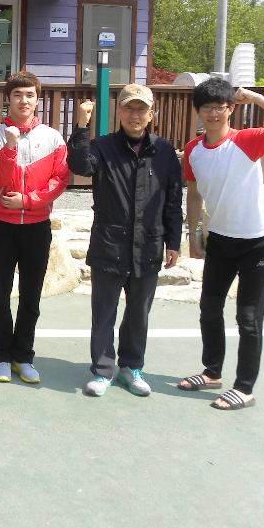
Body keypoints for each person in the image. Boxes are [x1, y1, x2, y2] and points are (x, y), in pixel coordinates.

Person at [177, 79, 264, 411]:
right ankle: (212, 373)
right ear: (198, 111)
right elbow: (194, 194)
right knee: (209, 309)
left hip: (256, 241)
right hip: (220, 239)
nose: (213, 113)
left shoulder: (247, 141)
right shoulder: (193, 149)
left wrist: (258, 99)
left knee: (248, 317)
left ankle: (245, 388)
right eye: (207, 107)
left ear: (231, 109)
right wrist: (194, 233)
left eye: (220, 107)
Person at [68, 84, 182, 398]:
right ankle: (103, 370)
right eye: (129, 108)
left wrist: (174, 241)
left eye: (141, 109)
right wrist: (82, 126)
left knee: (138, 313)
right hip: (110, 244)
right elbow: (79, 166)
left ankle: (131, 368)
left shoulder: (164, 151)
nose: (135, 115)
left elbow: (173, 200)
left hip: (148, 245)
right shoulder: (103, 146)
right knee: (104, 312)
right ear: (119, 112)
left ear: (151, 114)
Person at [0, 71, 70, 384]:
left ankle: (24, 356)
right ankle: (1, 356)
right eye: (18, 94)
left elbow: (60, 179)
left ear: (37, 99)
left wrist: (29, 201)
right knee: (0, 295)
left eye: (30, 95)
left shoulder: (53, 137)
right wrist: (10, 146)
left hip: (37, 226)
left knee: (31, 297)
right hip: (2, 227)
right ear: (8, 98)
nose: (24, 100)